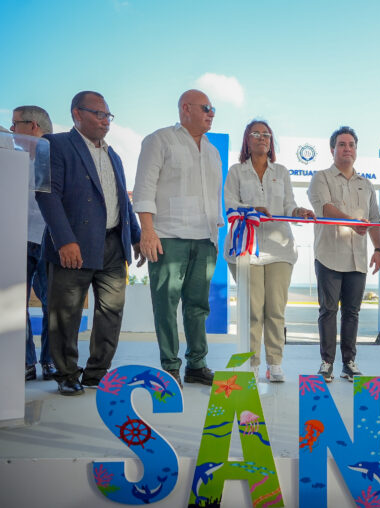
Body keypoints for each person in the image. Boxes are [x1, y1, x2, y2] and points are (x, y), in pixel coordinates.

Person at [36, 91, 143, 396]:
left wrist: (135, 237)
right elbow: (46, 194)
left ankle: (97, 373)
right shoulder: (54, 145)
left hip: (113, 245)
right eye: (97, 113)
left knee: (111, 313)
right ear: (76, 114)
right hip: (74, 247)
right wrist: (64, 240)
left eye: (108, 115)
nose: (104, 120)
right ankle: (67, 373)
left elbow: (123, 201)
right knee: (65, 314)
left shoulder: (114, 156)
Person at [133, 90, 223, 387]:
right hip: (168, 237)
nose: (211, 113)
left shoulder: (212, 151)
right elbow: (144, 189)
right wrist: (147, 231)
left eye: (213, 109)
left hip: (204, 240)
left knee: (199, 306)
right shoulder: (159, 140)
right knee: (166, 305)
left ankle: (197, 365)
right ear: (186, 109)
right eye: (206, 108)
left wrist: (215, 237)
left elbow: (214, 197)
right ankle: (170, 366)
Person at [223, 120, 314, 383]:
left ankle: (275, 363)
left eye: (266, 134)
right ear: (247, 141)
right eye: (256, 133)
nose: (262, 138)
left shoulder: (282, 171)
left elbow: (289, 205)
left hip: (280, 250)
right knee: (252, 309)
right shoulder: (236, 171)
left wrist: (299, 212)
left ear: (271, 141)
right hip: (245, 249)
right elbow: (229, 203)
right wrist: (251, 209)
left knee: (275, 309)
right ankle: (250, 363)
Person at [308, 126, 380, 383]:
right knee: (328, 311)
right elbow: (326, 209)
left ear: (356, 150)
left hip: (357, 259)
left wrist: (379, 249)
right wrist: (351, 221)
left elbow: (374, 218)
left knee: (352, 313)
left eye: (351, 144)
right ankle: (326, 362)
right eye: (341, 144)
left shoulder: (366, 184)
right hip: (329, 255)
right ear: (332, 149)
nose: (347, 148)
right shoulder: (321, 178)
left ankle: (348, 363)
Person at [11, 105, 57, 382]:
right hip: (16, 239)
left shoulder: (57, 158)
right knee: (15, 305)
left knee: (53, 304)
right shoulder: (11, 160)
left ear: (34, 127)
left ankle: (49, 360)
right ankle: (26, 362)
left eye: (16, 124)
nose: (13, 129)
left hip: (48, 240)